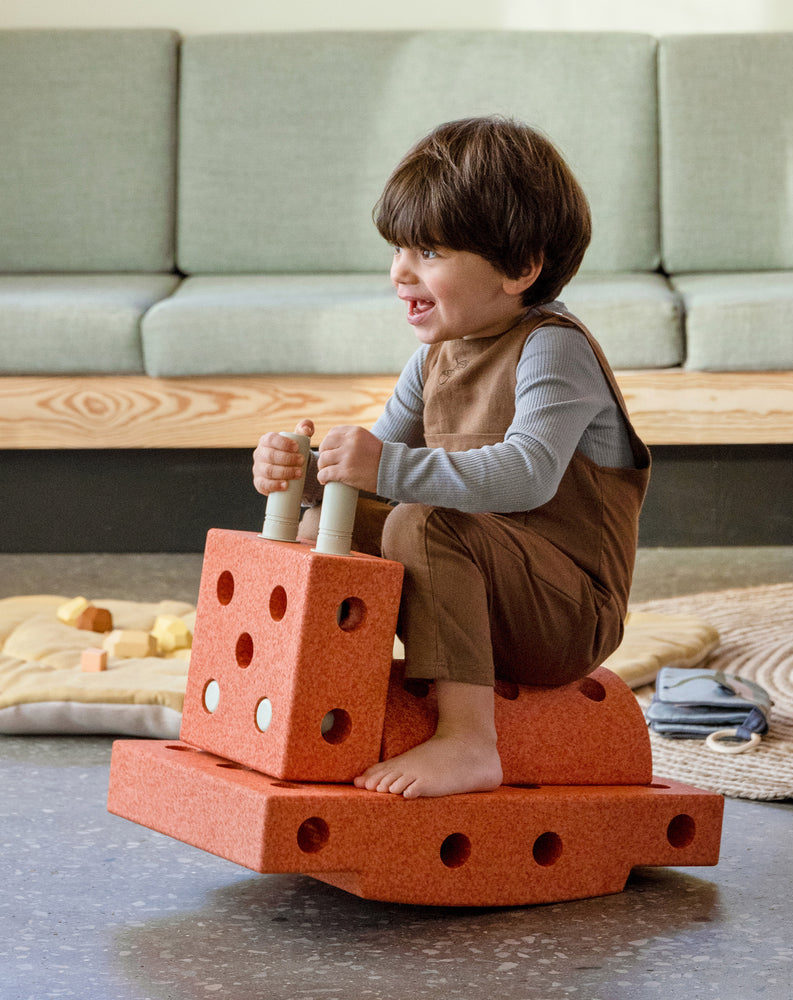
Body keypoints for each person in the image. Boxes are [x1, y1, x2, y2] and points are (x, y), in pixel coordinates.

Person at [252, 116, 651, 800]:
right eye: (400, 249)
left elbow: (525, 476)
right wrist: (304, 471)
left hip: (565, 616)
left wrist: (380, 467)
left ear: (520, 268)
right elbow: (371, 481)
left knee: (425, 521)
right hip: (483, 585)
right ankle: (310, 692)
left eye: (429, 252)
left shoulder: (554, 348)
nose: (400, 271)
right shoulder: (434, 357)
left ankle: (469, 740)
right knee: (330, 528)